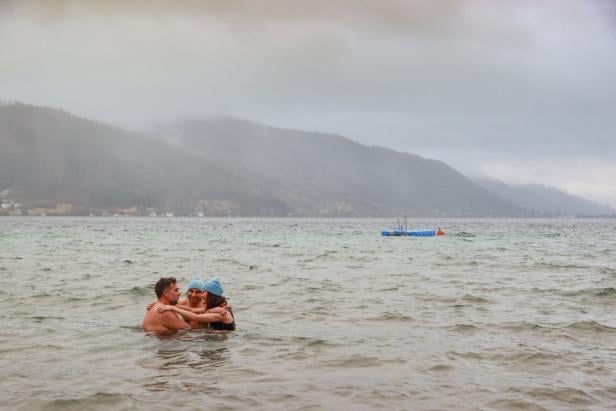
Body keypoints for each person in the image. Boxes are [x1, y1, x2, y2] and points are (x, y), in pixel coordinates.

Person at [158, 276, 235, 331]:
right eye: (191, 291)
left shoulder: (222, 313)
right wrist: (162, 303)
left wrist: (172, 308)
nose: (202, 295)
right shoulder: (214, 307)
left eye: (204, 292)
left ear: (211, 295)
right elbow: (192, 310)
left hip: (222, 344)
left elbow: (196, 317)